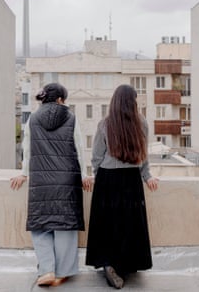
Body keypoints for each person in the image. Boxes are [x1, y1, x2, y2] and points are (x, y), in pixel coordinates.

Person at [10, 83, 89, 287]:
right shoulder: (71, 118)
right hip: (67, 180)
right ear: (61, 100)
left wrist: (23, 173)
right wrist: (85, 174)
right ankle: (62, 272)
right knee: (65, 226)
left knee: (41, 226)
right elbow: (79, 148)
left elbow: (27, 150)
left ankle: (46, 269)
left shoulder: (33, 119)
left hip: (40, 180)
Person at [85, 84, 158, 289]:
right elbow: (144, 154)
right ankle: (125, 263)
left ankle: (109, 263)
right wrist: (147, 176)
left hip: (108, 179)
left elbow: (97, 156)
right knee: (129, 223)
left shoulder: (105, 123)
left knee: (107, 224)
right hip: (131, 180)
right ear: (132, 102)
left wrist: (99, 178)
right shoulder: (141, 122)